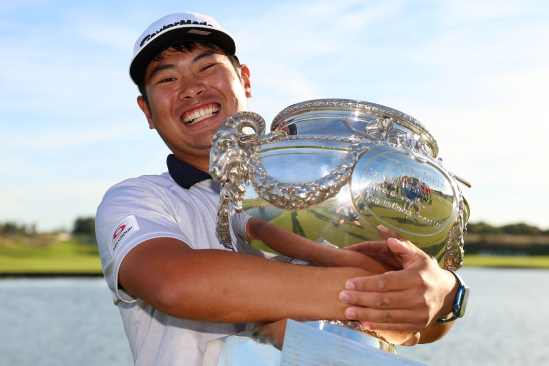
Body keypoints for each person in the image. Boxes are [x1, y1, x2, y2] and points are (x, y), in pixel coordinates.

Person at [95, 11, 461, 366]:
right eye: (167, 80)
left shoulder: (332, 183)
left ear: (245, 80)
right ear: (146, 111)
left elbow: (425, 323)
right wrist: (386, 288)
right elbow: (174, 285)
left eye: (207, 67)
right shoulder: (137, 199)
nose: (192, 89)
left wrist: (444, 295)